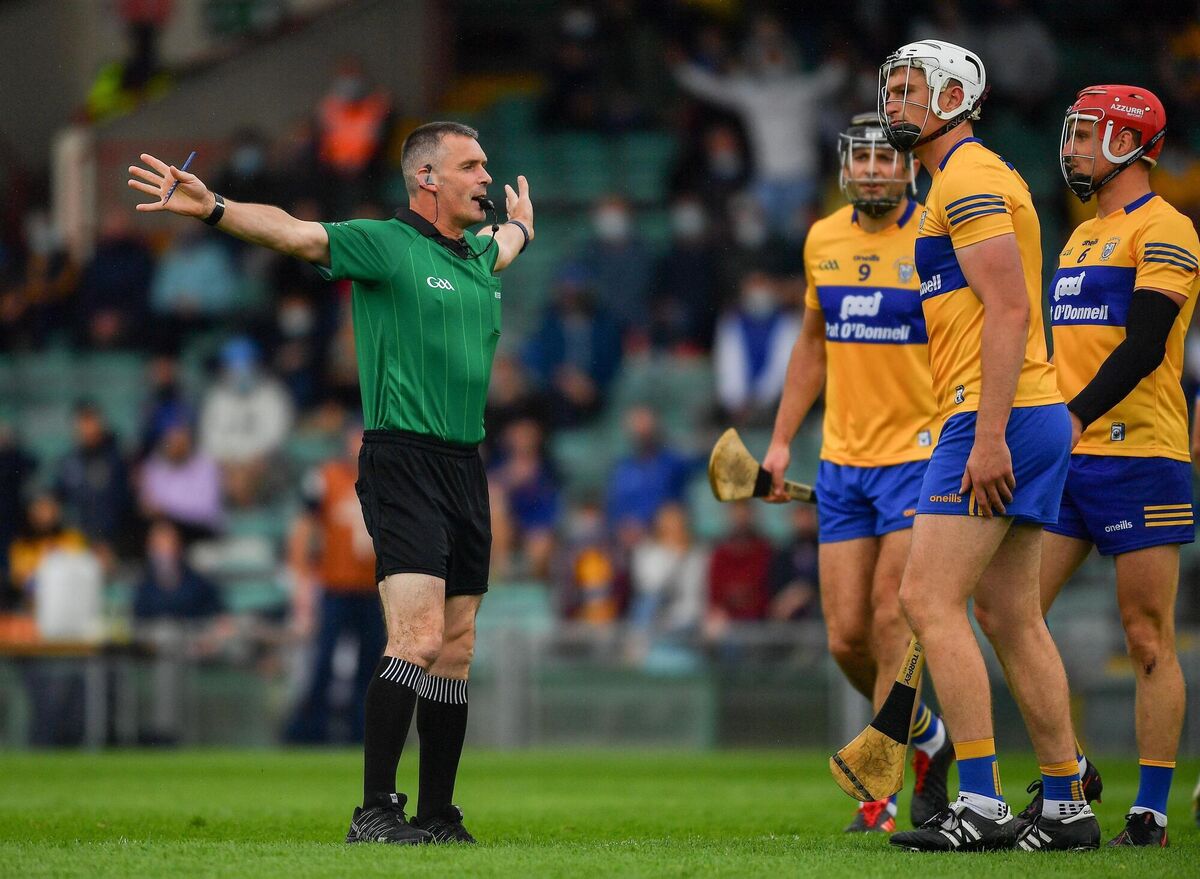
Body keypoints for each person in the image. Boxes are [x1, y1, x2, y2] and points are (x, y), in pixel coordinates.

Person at [129, 119, 533, 845]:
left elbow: (505, 246)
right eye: (471, 166)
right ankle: (376, 811)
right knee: (414, 635)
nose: (485, 177)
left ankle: (438, 815)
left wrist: (525, 232)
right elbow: (294, 233)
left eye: (485, 164)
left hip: (466, 464)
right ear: (427, 179)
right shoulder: (387, 244)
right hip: (403, 457)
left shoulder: (478, 253)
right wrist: (215, 206)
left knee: (458, 643)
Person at [876, 41, 1100, 852]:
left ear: (956, 97)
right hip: (1021, 413)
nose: (897, 101)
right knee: (1009, 613)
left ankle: (980, 800)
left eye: (913, 89)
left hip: (993, 416)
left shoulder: (967, 179)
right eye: (892, 87)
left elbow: (1009, 310)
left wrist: (989, 433)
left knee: (925, 600)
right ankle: (1068, 803)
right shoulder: (969, 178)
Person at [761, 112, 951, 834]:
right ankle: (926, 732)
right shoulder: (823, 238)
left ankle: (881, 793)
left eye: (885, 156)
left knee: (887, 616)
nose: (873, 168)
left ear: (908, 166)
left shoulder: (935, 236)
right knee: (845, 636)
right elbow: (812, 346)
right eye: (862, 156)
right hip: (840, 463)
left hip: (917, 457)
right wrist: (781, 443)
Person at [1025, 85, 1196, 848]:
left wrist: (1072, 414)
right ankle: (1074, 769)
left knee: (1147, 636)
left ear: (1130, 142)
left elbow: (1148, 340)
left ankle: (1151, 811)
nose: (1073, 148)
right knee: (1011, 613)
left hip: (1140, 454)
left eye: (1088, 135)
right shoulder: (1079, 237)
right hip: (1069, 457)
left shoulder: (1169, 229)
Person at [284, 425, 385, 744]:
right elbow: (305, 525)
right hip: (336, 586)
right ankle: (310, 730)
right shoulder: (326, 478)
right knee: (324, 659)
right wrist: (301, 578)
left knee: (371, 664)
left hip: (372, 589)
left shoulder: (384, 481)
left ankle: (364, 732)